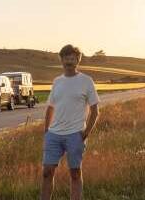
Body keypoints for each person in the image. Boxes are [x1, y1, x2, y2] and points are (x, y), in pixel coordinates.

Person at [41, 44, 100, 200]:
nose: (69, 60)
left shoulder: (86, 81)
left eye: (72, 57)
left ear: (77, 60)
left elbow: (95, 110)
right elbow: (50, 108)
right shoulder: (57, 81)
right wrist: (46, 132)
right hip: (53, 134)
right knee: (47, 173)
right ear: (61, 60)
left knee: (75, 174)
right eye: (66, 57)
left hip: (75, 134)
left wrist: (86, 133)